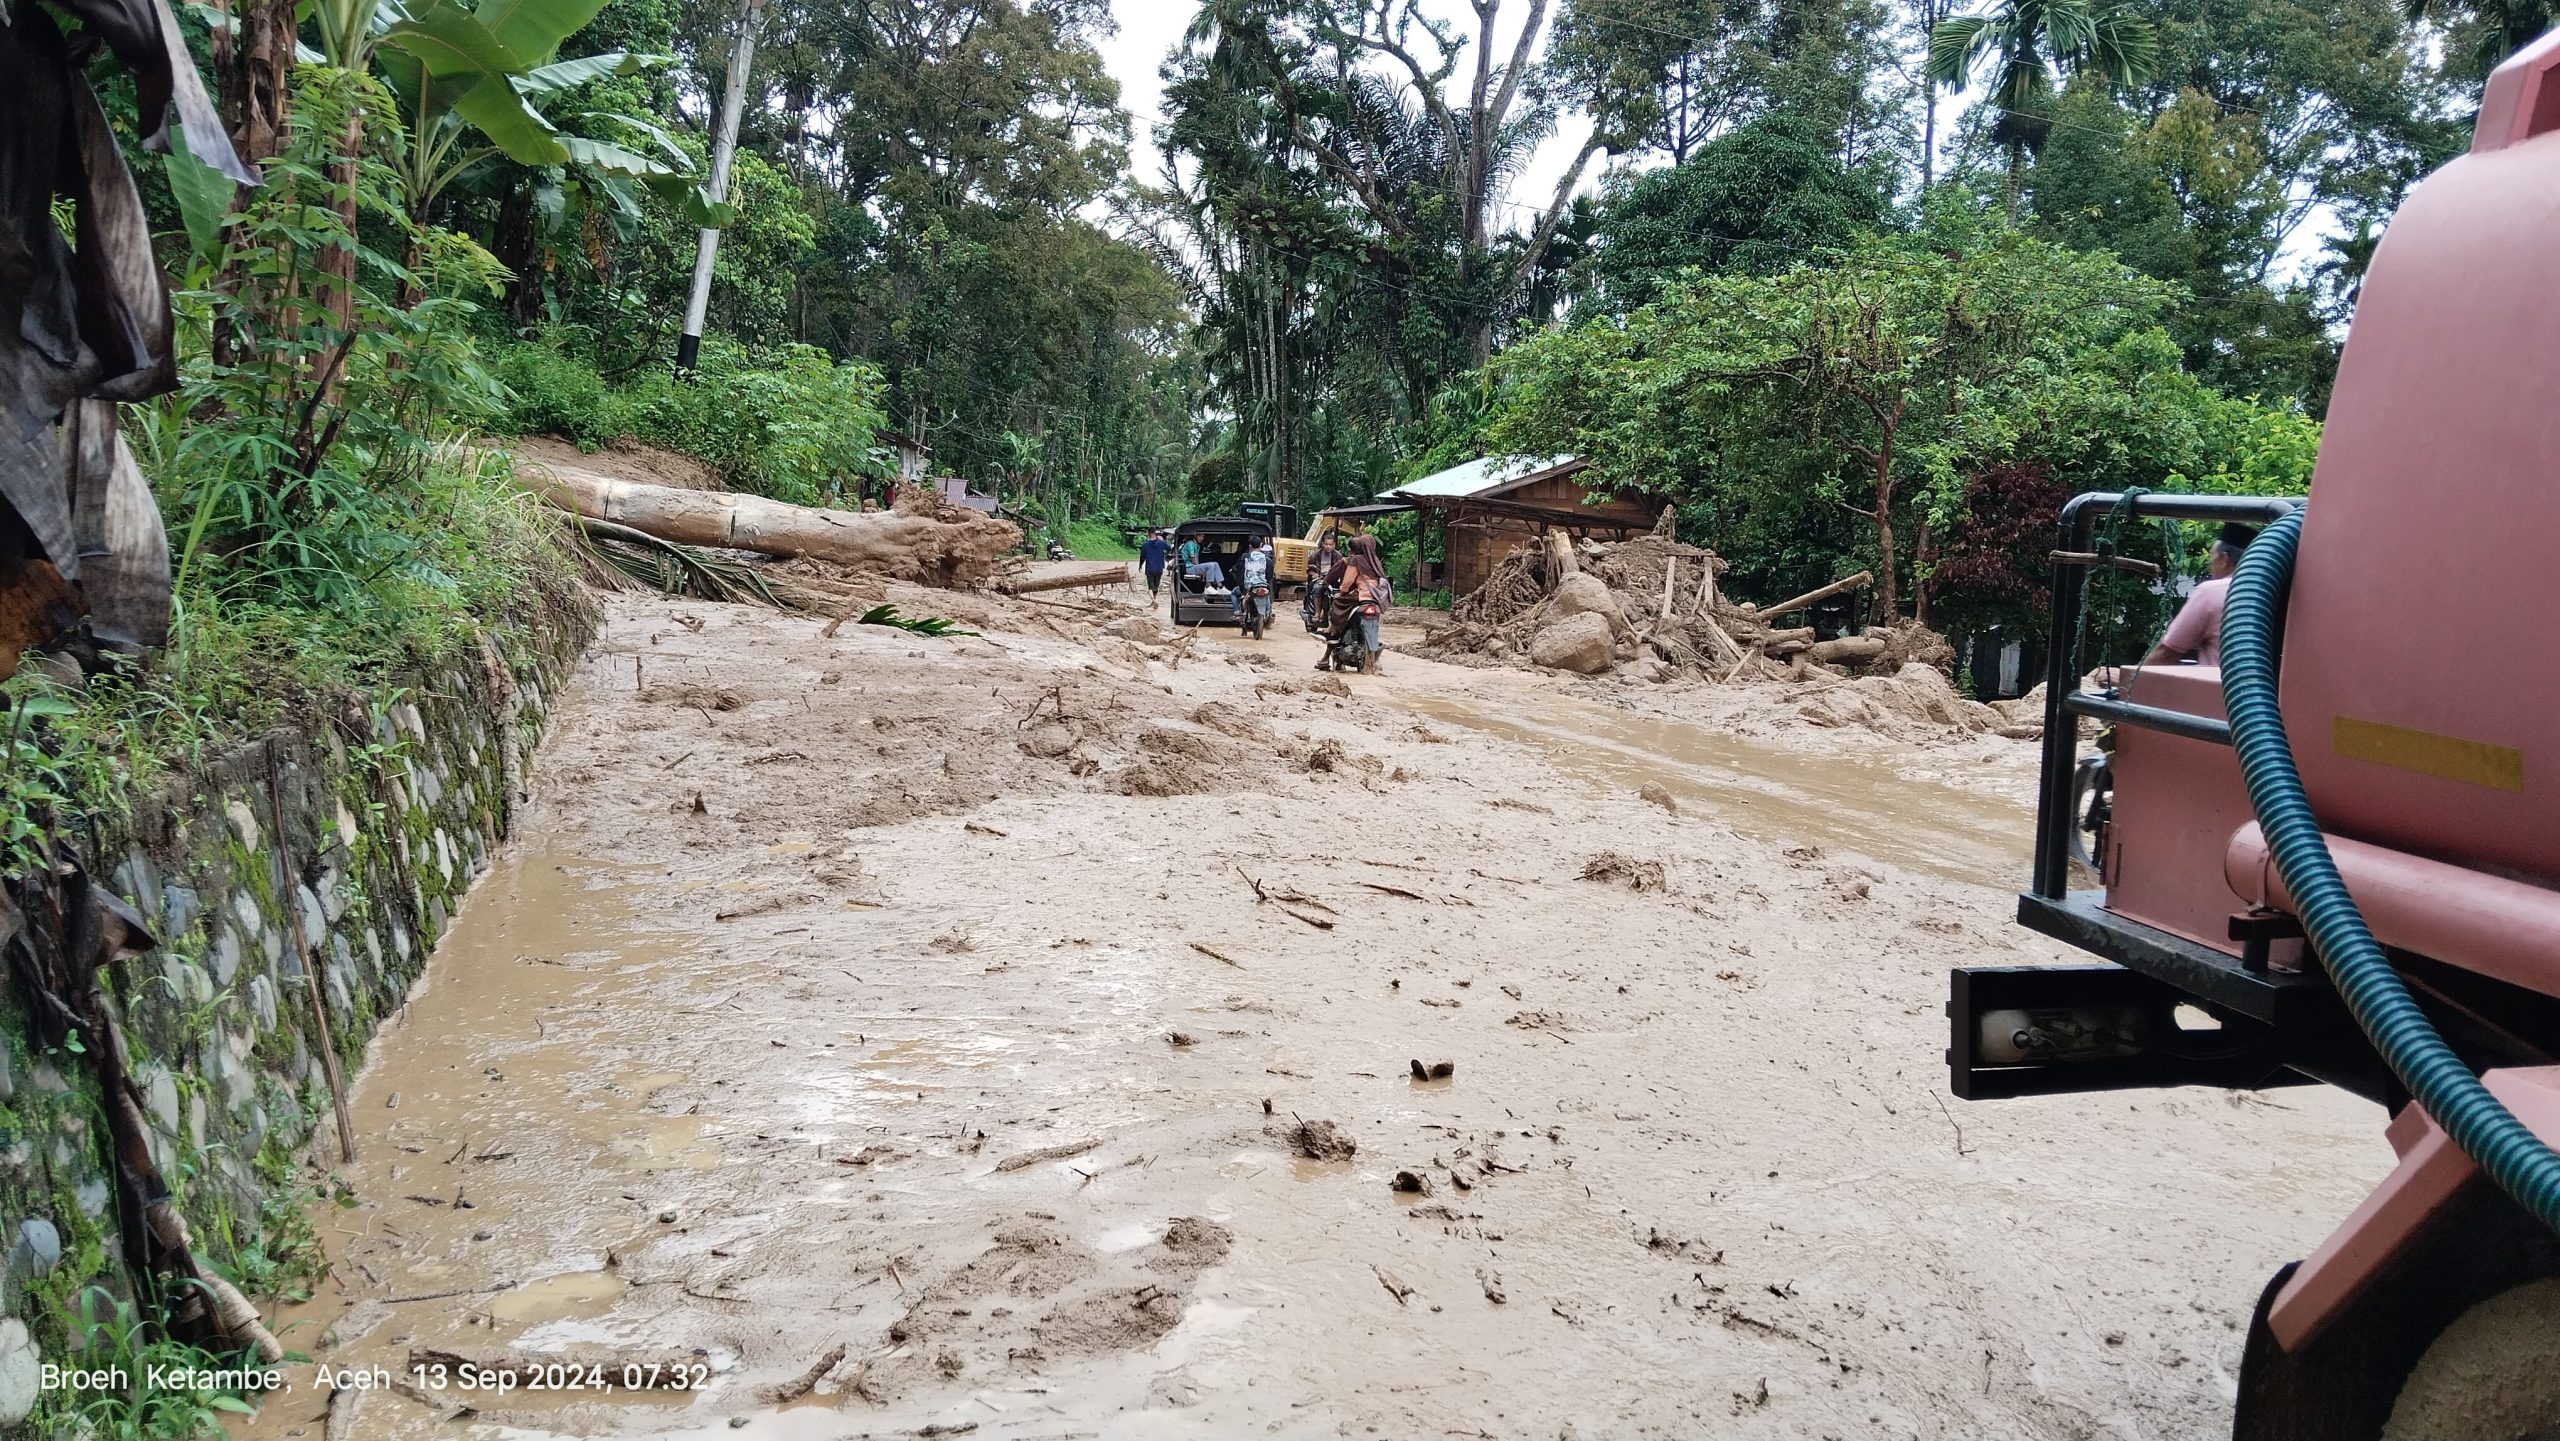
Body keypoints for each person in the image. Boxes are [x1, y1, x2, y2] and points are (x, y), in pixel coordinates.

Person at [2146, 530, 2251, 667]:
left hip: (2221, 685)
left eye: (2212, 557)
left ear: (2224, 559)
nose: (2209, 566)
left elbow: (2167, 653)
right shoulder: (2273, 590)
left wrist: (2130, 679)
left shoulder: (2212, 590)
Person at [1318, 534, 1389, 674]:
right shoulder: (1375, 561)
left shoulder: (1355, 560)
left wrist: (1342, 593)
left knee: (1337, 604)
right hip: (1376, 601)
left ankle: (1332, 629)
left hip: (1361, 598)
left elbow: (1345, 585)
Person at [1234, 533, 1273, 616]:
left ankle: (1237, 612)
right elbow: (1269, 576)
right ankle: (1269, 612)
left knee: (1234, 593)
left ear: (1250, 546)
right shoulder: (1267, 560)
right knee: (1267, 595)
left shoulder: (1245, 557)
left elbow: (1239, 572)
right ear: (1261, 545)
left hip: (1248, 587)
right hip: (1263, 585)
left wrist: (1240, 585)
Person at [1139, 530, 1169, 596]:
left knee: (1150, 587)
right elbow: (1169, 549)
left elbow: (1142, 557)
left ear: (1148, 533)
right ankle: (1155, 599)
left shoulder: (1145, 545)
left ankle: (1153, 601)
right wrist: (1164, 553)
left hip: (1149, 568)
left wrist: (1140, 565)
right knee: (1156, 586)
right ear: (1155, 533)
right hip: (1159, 568)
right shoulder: (1162, 543)